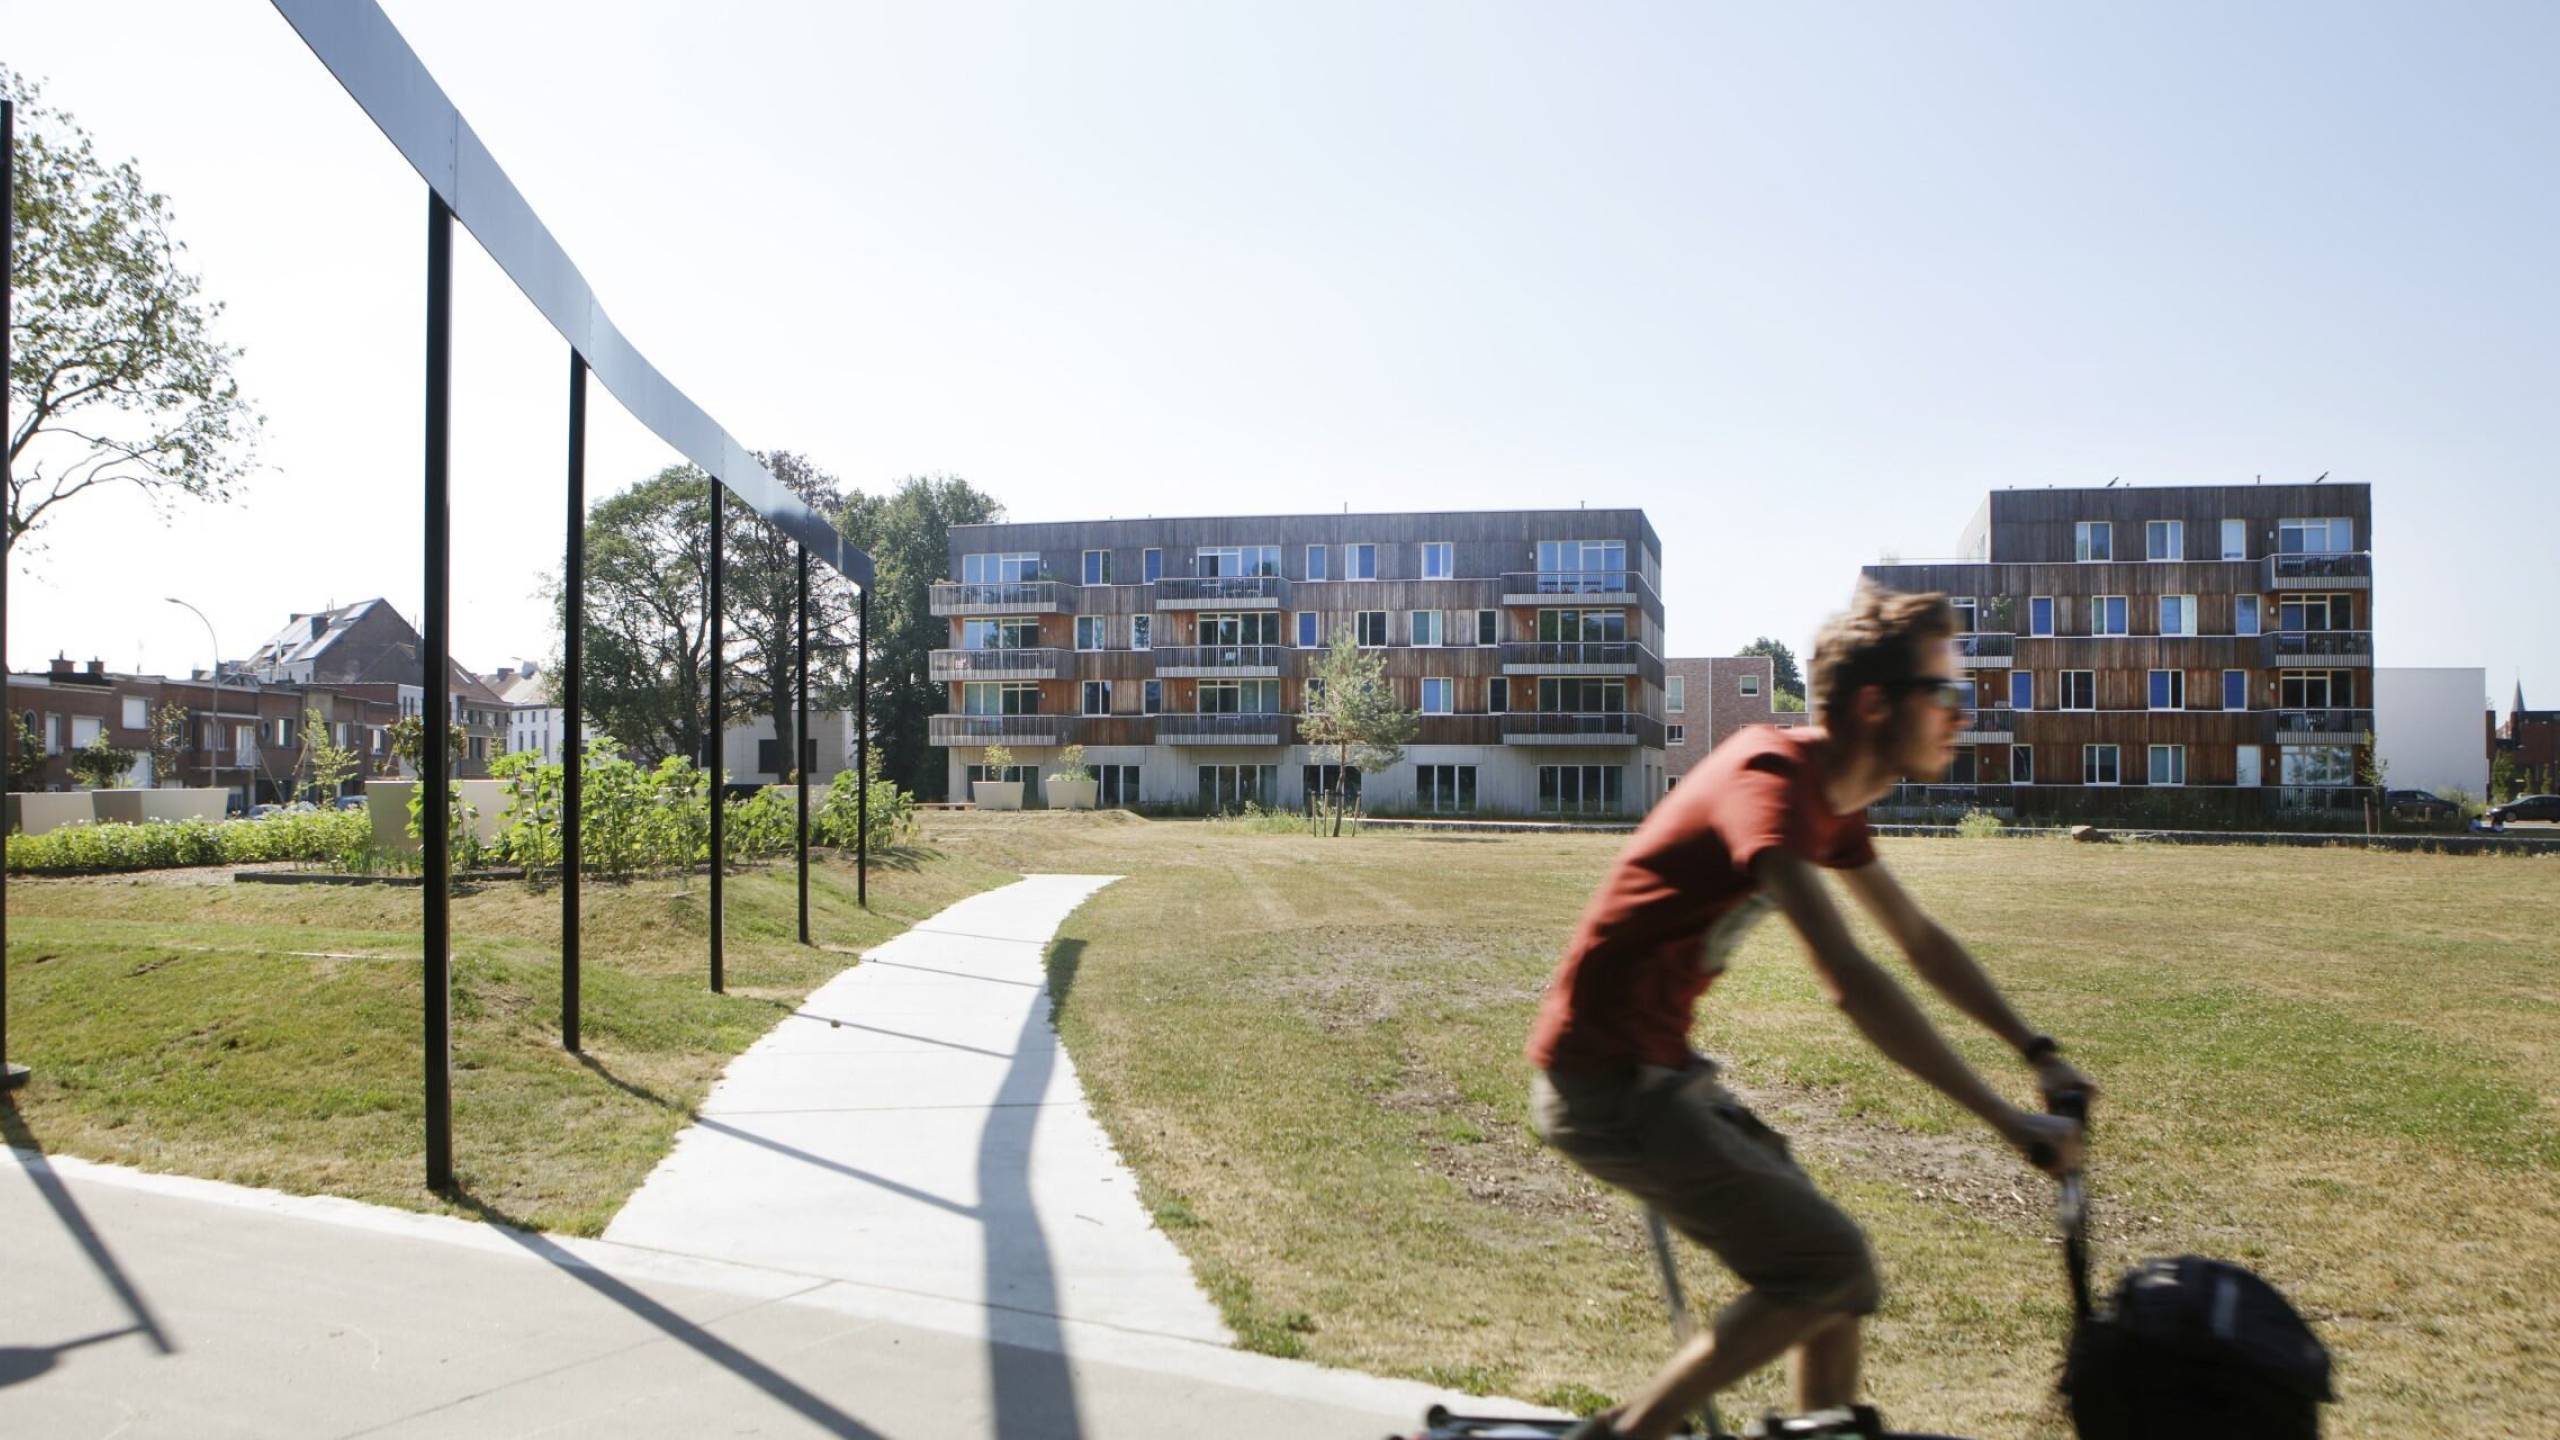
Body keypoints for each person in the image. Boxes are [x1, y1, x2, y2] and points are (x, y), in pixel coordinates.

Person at [1526, 582, 2093, 1439]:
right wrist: (2005, 1120)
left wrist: (2036, 1049)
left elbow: (1917, 939)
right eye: (1946, 693)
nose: (1962, 715)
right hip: (1605, 1080)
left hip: (1658, 1071)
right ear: (1875, 705)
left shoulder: (1829, 802)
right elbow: (1849, 977)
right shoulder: (1771, 780)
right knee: (1828, 1267)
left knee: (1829, 1281)